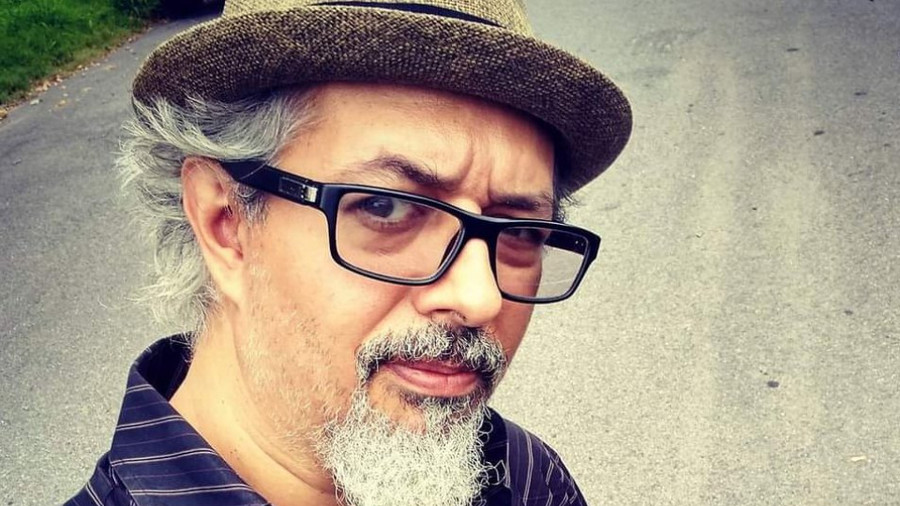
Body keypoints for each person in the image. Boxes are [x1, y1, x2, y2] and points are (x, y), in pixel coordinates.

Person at [65, 1, 631, 505]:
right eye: (386, 207)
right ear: (225, 222)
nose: (479, 298)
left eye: (520, 232)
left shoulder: (524, 478)